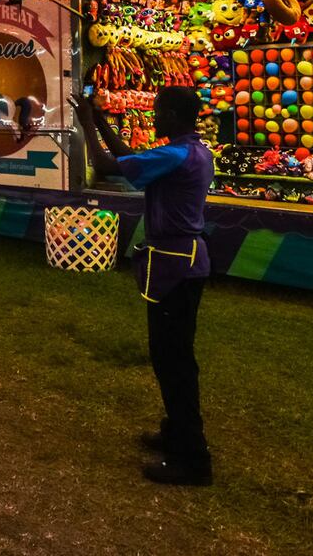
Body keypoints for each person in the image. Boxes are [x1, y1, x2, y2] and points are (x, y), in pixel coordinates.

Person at [73, 86, 214, 487]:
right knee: (172, 355)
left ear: (171, 114)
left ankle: (193, 457)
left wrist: (84, 123)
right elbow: (128, 159)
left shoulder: (174, 156)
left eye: (157, 111)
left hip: (176, 264)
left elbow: (105, 162)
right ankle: (176, 431)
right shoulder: (191, 151)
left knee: (174, 361)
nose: (153, 117)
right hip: (184, 262)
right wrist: (100, 118)